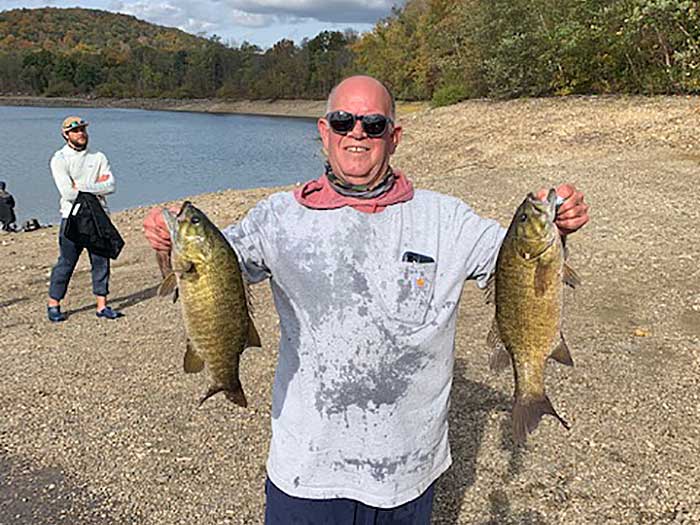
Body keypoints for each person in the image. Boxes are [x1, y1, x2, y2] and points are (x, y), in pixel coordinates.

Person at [143, 76, 590, 524]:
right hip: (307, 469)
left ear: (393, 137)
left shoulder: (446, 218)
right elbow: (206, 281)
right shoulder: (275, 218)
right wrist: (167, 248)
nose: (357, 132)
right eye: (343, 121)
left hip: (409, 471)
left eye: (373, 125)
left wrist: (561, 227)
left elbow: (520, 268)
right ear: (324, 131)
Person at [46, 116, 124, 323]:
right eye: (76, 131)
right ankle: (54, 304)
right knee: (66, 262)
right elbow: (67, 193)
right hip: (71, 217)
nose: (81, 134)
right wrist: (95, 187)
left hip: (99, 218)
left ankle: (102, 305)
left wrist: (80, 186)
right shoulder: (59, 159)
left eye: (83, 130)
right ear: (66, 135)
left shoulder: (98, 157)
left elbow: (111, 186)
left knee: (101, 261)